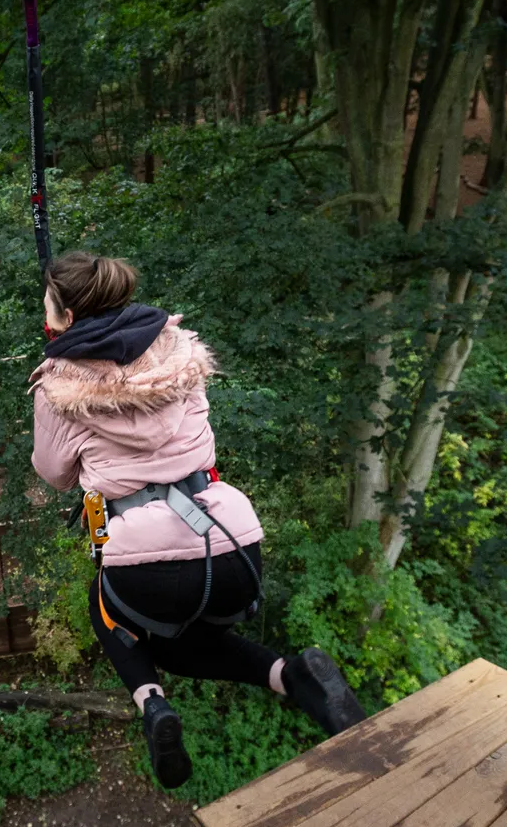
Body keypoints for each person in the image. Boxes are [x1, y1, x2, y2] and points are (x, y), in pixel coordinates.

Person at [30, 250, 366, 789]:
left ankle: (152, 705)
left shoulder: (57, 388)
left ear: (65, 318)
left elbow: (55, 474)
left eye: (46, 305)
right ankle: (291, 676)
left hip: (146, 560)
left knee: (109, 611)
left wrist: (60, 377)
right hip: (231, 541)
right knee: (188, 645)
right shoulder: (177, 352)